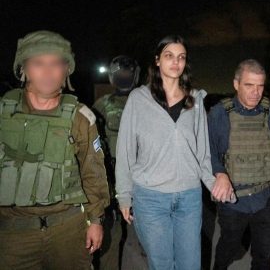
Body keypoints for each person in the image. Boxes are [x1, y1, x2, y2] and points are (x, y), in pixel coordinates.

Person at [0, 30, 110, 269]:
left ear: (66, 70)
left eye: (56, 64)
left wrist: (95, 220)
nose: (48, 73)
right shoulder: (3, 113)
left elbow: (93, 173)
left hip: (68, 230)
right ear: (24, 69)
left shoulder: (81, 117)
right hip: (12, 234)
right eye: (38, 63)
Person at [115, 35, 224, 270]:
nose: (176, 62)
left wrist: (213, 183)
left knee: (190, 264)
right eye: (169, 56)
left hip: (189, 197)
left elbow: (202, 151)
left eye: (181, 57)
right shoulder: (138, 99)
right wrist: (124, 195)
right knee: (162, 264)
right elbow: (125, 151)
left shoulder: (194, 101)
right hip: (150, 197)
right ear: (157, 61)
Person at [209, 59, 270, 270]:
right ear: (236, 84)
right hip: (234, 200)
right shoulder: (219, 113)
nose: (256, 92)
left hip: (266, 198)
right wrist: (219, 173)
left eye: (260, 86)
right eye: (249, 85)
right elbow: (208, 153)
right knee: (228, 249)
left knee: (263, 257)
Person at [92, 55, 141, 269]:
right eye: (120, 74)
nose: (124, 77)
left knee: (144, 235)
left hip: (141, 178)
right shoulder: (102, 105)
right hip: (111, 177)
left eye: (127, 74)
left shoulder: (147, 102)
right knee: (110, 233)